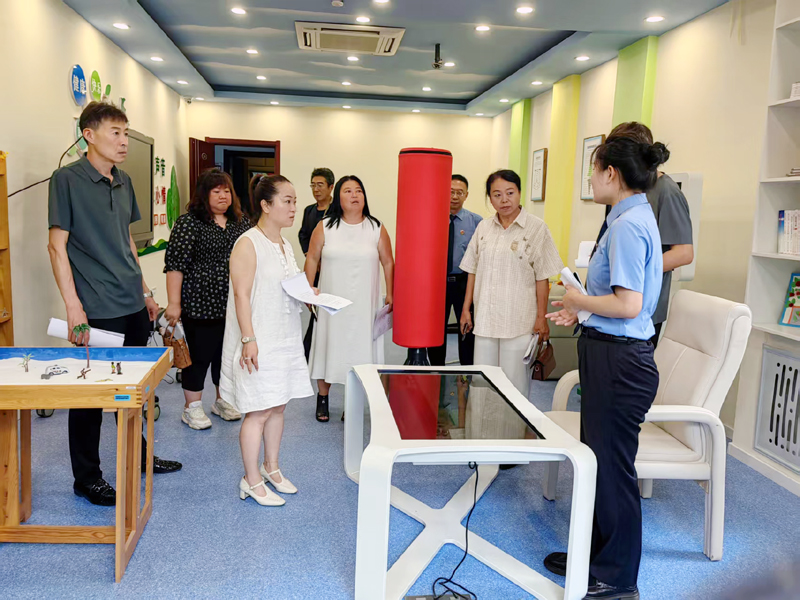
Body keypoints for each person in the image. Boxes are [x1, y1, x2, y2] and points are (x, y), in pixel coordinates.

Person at [545, 135, 667, 599]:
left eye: (593, 171)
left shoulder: (629, 225)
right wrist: (582, 311)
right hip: (608, 352)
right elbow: (616, 302)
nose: (591, 180)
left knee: (613, 471)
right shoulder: (624, 218)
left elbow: (629, 305)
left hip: (621, 362)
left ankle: (617, 578)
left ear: (611, 173)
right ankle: (594, 555)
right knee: (599, 463)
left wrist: (579, 301)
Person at [47, 101, 181, 507]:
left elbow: (127, 241)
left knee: (134, 388)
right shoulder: (66, 180)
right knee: (90, 396)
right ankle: (87, 478)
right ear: (88, 135)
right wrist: (73, 306)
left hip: (132, 303)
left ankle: (138, 455)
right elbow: (56, 247)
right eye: (115, 133)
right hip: (96, 305)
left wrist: (145, 291)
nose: (124, 141)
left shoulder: (124, 180)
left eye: (126, 133)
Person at [219, 175, 313, 507]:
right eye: (287, 201)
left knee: (278, 405)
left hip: (285, 336)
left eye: (294, 201)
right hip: (259, 338)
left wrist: (310, 294)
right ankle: (251, 479)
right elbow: (241, 295)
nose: (294, 207)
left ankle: (271, 467)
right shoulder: (248, 243)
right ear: (266, 205)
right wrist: (249, 339)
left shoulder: (284, 244)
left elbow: (287, 286)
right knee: (258, 410)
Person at [459, 169, 563, 398]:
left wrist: (541, 318)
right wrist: (466, 309)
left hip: (519, 321)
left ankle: (514, 422)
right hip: (486, 318)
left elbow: (542, 276)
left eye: (510, 193)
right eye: (497, 195)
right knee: (483, 381)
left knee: (514, 384)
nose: (504, 200)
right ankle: (483, 423)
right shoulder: (484, 228)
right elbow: (472, 269)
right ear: (490, 198)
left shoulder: (537, 228)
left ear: (519, 193)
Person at [164, 169, 251, 430]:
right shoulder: (189, 223)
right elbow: (175, 265)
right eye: (216, 191)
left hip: (233, 303)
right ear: (204, 194)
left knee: (226, 355)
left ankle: (222, 400)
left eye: (227, 191)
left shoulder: (241, 222)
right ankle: (191, 407)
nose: (223, 196)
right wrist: (174, 303)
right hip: (199, 302)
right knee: (199, 357)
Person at [593, 122, 693, 347]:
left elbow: (684, 253)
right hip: (613, 305)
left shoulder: (666, 191)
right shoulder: (623, 191)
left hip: (640, 310)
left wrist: (634, 270)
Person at [305, 175, 394, 422]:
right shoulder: (325, 226)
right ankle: (323, 398)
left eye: (358, 191)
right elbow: (312, 258)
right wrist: (308, 289)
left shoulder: (376, 227)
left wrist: (391, 293)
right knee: (328, 346)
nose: (354, 195)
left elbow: (388, 262)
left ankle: (352, 401)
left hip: (364, 303)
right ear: (338, 197)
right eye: (348, 191)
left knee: (359, 350)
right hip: (331, 302)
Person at [427, 174, 482, 366]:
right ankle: (436, 369)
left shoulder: (476, 222)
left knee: (466, 327)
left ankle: (467, 371)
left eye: (460, 192)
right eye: (451, 192)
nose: (455, 197)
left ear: (466, 195)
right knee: (435, 328)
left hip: (463, 282)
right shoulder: (431, 218)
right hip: (436, 282)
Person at [299, 168, 334, 360]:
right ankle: (310, 351)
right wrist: (309, 254)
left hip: (331, 269)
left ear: (331, 187)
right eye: (313, 185)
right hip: (315, 269)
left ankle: (312, 350)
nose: (316, 189)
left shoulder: (337, 211)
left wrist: (324, 259)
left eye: (320, 185)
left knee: (328, 311)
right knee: (315, 310)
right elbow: (303, 235)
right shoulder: (309, 211)